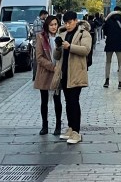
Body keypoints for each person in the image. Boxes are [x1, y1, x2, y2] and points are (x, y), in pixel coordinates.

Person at [54, 11, 91, 145]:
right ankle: (70, 128)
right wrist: (58, 47)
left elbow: (85, 50)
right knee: (68, 102)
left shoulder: (83, 33)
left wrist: (70, 46)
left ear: (76, 21)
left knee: (74, 101)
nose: (67, 25)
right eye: (65, 23)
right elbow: (57, 56)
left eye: (70, 22)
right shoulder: (63, 33)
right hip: (64, 73)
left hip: (76, 73)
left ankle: (76, 131)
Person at [33, 15, 62, 136]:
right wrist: (51, 66)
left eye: (55, 24)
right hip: (45, 73)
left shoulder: (61, 37)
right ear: (47, 26)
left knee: (57, 100)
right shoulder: (41, 37)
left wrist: (58, 68)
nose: (54, 27)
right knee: (44, 101)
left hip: (57, 73)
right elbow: (39, 57)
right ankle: (45, 125)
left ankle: (58, 126)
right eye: (51, 25)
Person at [102, 6, 121, 89]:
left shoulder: (108, 22)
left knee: (108, 62)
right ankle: (120, 82)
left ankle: (107, 81)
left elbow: (105, 32)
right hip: (120, 44)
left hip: (109, 43)